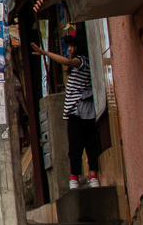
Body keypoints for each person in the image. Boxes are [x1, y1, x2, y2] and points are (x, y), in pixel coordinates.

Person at [36, 27, 101, 190]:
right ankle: (79, 177)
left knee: (84, 145)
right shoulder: (80, 65)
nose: (69, 49)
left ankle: (84, 177)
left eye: (72, 46)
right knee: (78, 146)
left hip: (80, 110)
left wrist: (46, 53)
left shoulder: (81, 62)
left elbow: (67, 62)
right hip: (78, 110)